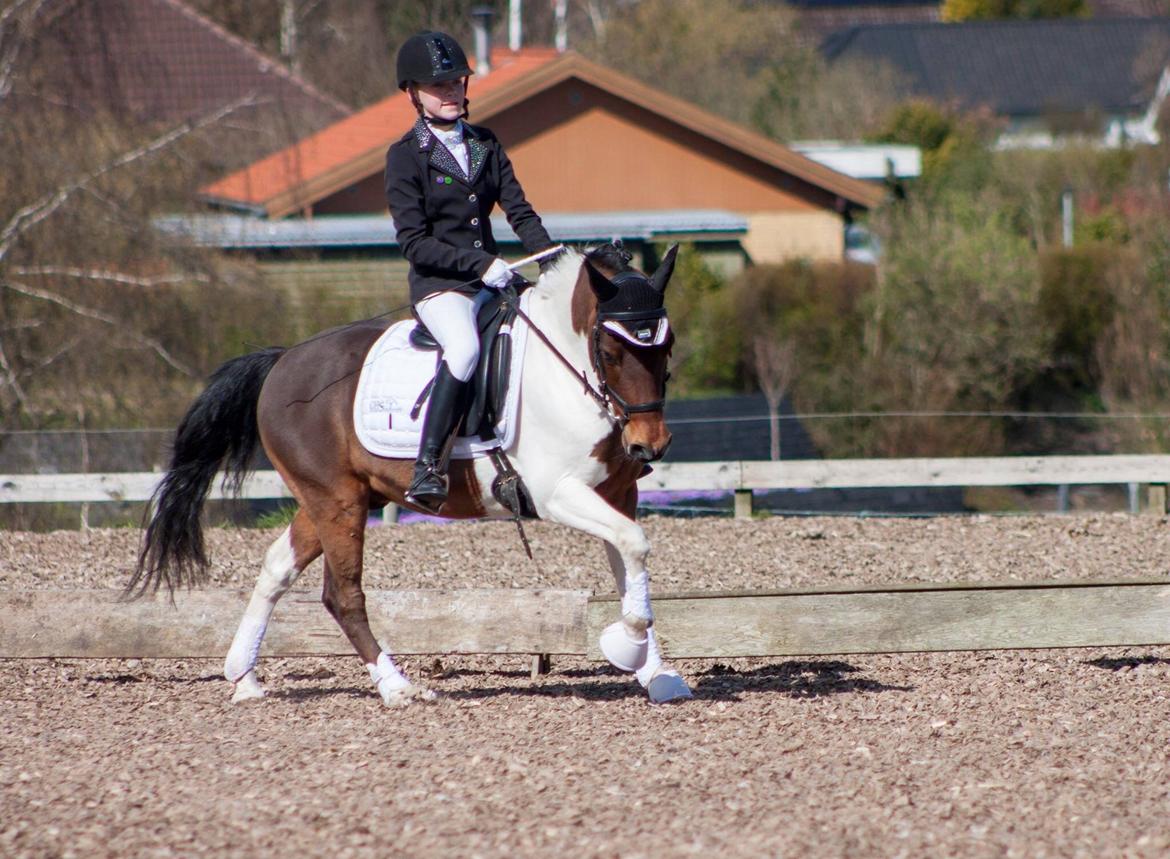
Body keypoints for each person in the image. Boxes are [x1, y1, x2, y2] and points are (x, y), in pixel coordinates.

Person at [385, 31, 553, 514]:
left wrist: (552, 261)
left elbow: (520, 212)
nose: (452, 93)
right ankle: (429, 467)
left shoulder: (485, 143)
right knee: (464, 349)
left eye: (457, 83)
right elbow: (414, 242)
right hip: (443, 288)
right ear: (413, 94)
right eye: (440, 87)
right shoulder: (406, 155)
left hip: (495, 280)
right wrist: (481, 265)